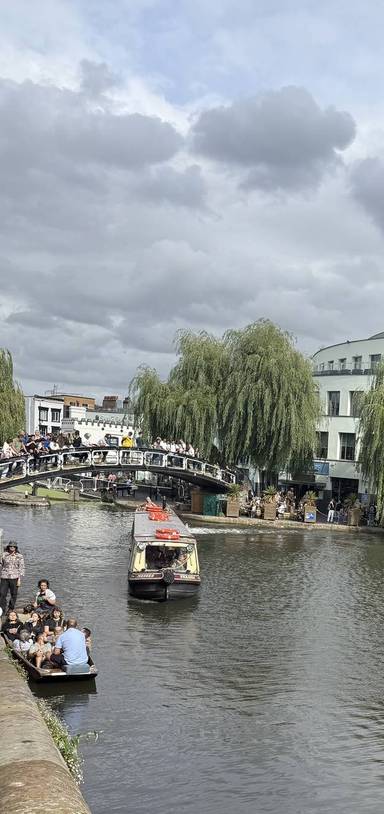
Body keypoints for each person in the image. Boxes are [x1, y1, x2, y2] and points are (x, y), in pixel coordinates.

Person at [0, 542, 25, 612]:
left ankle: (11, 608)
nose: (12, 547)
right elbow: (0, 565)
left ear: (16, 548)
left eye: (13, 546)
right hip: (4, 577)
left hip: (15, 578)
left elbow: (22, 568)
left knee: (14, 594)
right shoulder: (4, 554)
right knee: (2, 594)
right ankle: (2, 608)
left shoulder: (19, 556)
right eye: (10, 546)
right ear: (8, 547)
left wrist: (19, 579)